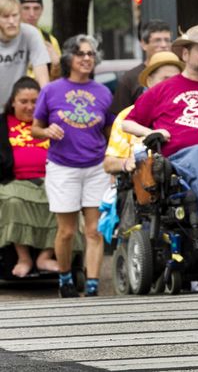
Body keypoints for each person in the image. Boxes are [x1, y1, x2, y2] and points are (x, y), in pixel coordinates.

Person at [122, 24, 198, 242]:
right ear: (186, 53)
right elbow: (128, 124)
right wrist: (153, 131)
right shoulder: (163, 89)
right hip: (181, 157)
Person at [31, 35, 114, 297]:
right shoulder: (52, 90)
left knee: (94, 231)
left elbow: (111, 131)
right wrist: (47, 132)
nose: (87, 58)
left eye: (90, 54)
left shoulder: (103, 92)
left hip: (95, 167)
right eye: (81, 54)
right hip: (62, 166)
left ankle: (92, 285)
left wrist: (112, 163)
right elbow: (35, 129)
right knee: (66, 231)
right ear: (69, 58)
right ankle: (65, 278)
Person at [0, 77, 60, 277]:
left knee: (64, 204)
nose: (29, 106)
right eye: (23, 101)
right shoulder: (3, 123)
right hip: (13, 181)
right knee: (13, 202)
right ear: (13, 102)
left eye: (34, 101)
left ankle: (45, 256)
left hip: (50, 179)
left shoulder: (51, 123)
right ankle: (23, 257)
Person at [104, 51, 184, 175]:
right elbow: (109, 163)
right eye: (165, 79)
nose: (171, 85)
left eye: (176, 80)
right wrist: (126, 163)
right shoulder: (128, 116)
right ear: (150, 81)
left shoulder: (191, 113)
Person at [109, 20, 172, 115]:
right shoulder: (129, 78)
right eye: (157, 40)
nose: (164, 45)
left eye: (167, 40)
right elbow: (119, 118)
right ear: (144, 44)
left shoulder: (179, 74)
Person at [0, 0, 49, 105]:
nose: (11, 21)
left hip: (15, 106)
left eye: (15, 15)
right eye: (6, 17)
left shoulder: (30, 33)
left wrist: (46, 103)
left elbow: (41, 72)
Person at [17, 0, 61, 80]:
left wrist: (56, 66)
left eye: (36, 8)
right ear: (18, 9)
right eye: (26, 8)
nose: (32, 14)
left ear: (42, 10)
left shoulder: (50, 40)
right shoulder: (7, 39)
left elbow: (58, 80)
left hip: (41, 91)